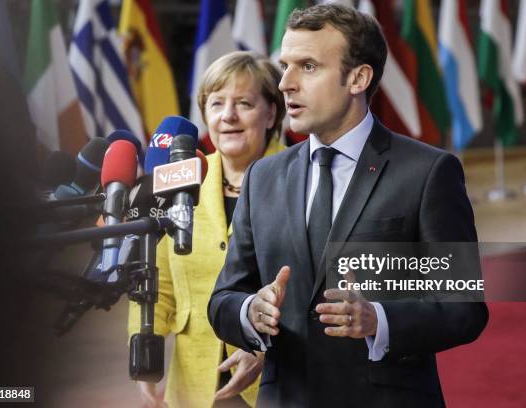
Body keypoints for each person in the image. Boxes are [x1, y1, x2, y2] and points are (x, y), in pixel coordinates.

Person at [208, 4, 488, 407]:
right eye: (285, 65)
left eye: (307, 66)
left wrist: (378, 319)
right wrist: (250, 311)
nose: (285, 83)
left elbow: (464, 310)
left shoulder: (428, 173)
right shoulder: (262, 177)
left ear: (358, 78)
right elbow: (224, 299)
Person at [128, 51, 286, 408]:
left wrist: (263, 346)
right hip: (197, 386)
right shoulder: (179, 178)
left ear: (271, 112)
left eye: (244, 103)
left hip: (278, 379)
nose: (228, 115)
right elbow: (157, 277)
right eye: (216, 104)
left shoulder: (300, 176)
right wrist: (143, 350)